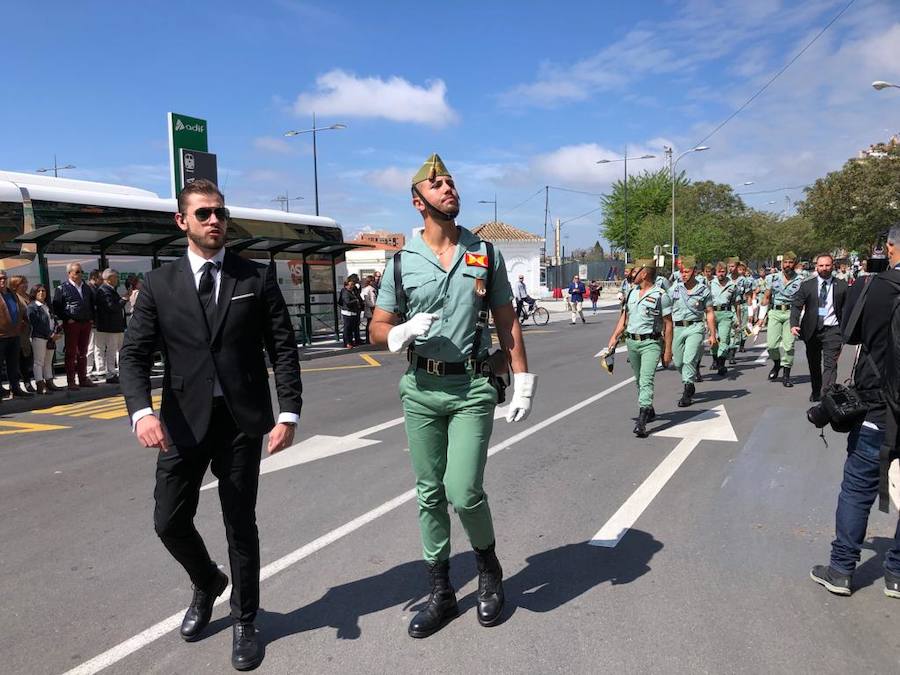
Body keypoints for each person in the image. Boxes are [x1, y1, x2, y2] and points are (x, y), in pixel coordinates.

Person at [118, 179, 302, 671]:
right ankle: (207, 581)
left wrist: (288, 412)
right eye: (203, 214)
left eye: (219, 212)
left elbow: (282, 348)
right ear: (182, 222)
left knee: (240, 524)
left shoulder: (254, 278)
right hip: (181, 421)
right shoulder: (159, 284)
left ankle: (245, 621)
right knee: (168, 520)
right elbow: (133, 355)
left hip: (242, 421)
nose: (215, 220)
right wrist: (141, 412)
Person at [369, 154, 536, 638]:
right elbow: (377, 328)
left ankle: (488, 570)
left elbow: (506, 320)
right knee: (428, 494)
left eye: (452, 182)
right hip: (421, 389)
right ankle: (441, 592)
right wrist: (397, 332)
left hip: (471, 387)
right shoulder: (401, 262)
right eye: (437, 184)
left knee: (462, 490)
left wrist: (522, 379)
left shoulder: (484, 251)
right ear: (417, 200)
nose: (449, 189)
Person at [810, 228, 900, 598]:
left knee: (857, 487)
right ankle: (896, 574)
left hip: (877, 406)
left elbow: (850, 333)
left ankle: (842, 569)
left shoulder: (875, 285)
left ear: (892, 247)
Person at [605, 258, 673, 437]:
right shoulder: (631, 293)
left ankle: (642, 420)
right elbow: (624, 318)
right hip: (632, 343)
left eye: (635, 271)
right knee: (638, 380)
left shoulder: (660, 295)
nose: (631, 274)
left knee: (646, 379)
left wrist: (667, 351)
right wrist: (614, 336)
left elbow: (668, 324)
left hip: (651, 343)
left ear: (644, 273)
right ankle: (648, 408)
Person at [790, 253, 847, 402]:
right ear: (816, 267)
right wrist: (794, 323)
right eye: (821, 265)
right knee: (814, 364)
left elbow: (848, 308)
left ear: (832, 266)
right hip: (812, 331)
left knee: (831, 365)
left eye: (827, 265)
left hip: (833, 330)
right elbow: (796, 305)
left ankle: (827, 396)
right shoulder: (807, 285)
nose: (824, 268)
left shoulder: (841, 286)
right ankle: (816, 390)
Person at [668, 256, 717, 407]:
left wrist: (712, 334)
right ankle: (689, 380)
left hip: (695, 327)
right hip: (678, 328)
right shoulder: (674, 288)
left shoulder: (703, 290)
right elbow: (665, 309)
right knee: (678, 362)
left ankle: (687, 389)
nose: (683, 275)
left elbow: (709, 312)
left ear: (694, 272)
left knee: (689, 359)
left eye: (687, 272)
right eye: (682, 272)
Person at [52, 261, 96, 391]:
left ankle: (83, 378)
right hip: (72, 323)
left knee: (83, 352)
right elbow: (57, 306)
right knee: (71, 352)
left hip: (85, 322)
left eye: (81, 271)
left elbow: (91, 304)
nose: (80, 274)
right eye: (77, 272)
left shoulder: (86, 287)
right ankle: (71, 380)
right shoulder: (62, 288)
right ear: (69, 274)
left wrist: (91, 319)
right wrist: (67, 319)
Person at [763, 252, 804, 387]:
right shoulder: (772, 278)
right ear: (781, 264)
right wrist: (760, 318)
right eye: (785, 262)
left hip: (791, 313)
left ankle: (786, 375)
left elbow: (804, 299)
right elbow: (767, 298)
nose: (787, 265)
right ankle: (776, 364)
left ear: (795, 264)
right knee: (772, 345)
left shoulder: (800, 280)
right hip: (775, 312)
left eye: (790, 262)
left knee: (789, 345)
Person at [0, 270, 31, 400]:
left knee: (14, 364)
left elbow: (19, 309)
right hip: (1, 335)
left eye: (4, 278)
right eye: (0, 278)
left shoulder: (12, 294)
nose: (2, 281)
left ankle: (15, 388)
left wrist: (21, 321)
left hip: (14, 334)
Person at [93, 268, 128, 383]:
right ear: (108, 279)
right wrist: (123, 300)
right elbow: (112, 307)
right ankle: (111, 373)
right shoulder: (104, 290)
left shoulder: (110, 289)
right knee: (111, 350)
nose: (117, 279)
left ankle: (115, 372)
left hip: (115, 326)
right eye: (115, 277)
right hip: (110, 326)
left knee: (117, 349)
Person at [27, 284, 61, 394]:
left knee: (48, 362)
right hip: (39, 337)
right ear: (34, 293)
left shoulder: (46, 306)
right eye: (39, 291)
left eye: (44, 291)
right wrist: (50, 334)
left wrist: (56, 331)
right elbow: (36, 324)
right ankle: (40, 385)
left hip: (50, 338)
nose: (42, 293)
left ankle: (49, 382)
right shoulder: (32, 307)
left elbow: (52, 319)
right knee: (39, 362)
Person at [709, 262, 738, 377]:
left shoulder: (732, 285)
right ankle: (715, 358)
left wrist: (738, 319)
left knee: (724, 339)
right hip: (712, 313)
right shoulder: (710, 284)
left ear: (726, 272)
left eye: (723, 271)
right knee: (713, 339)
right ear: (715, 272)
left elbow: (736, 303)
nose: (721, 274)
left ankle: (721, 363)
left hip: (726, 314)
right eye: (719, 271)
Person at [8, 275, 36, 393]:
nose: (26, 285)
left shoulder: (29, 297)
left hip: (31, 332)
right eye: (22, 283)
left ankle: (28, 381)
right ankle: (22, 383)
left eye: (26, 282)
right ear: (15, 286)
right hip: (20, 333)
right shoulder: (14, 298)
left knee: (28, 358)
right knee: (20, 359)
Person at [338, 277, 363, 348]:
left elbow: (358, 294)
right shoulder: (345, 292)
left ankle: (351, 341)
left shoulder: (352, 291)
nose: (352, 286)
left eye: (353, 284)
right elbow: (347, 302)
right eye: (351, 285)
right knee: (347, 328)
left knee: (352, 328)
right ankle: (347, 342)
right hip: (347, 312)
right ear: (346, 285)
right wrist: (356, 300)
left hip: (353, 312)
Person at [360, 275, 377, 344]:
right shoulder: (367, 289)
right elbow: (367, 300)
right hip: (370, 309)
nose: (374, 282)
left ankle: (371, 338)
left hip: (373, 308)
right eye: (372, 280)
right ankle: (368, 339)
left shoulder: (372, 288)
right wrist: (373, 306)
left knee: (371, 323)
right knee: (369, 323)